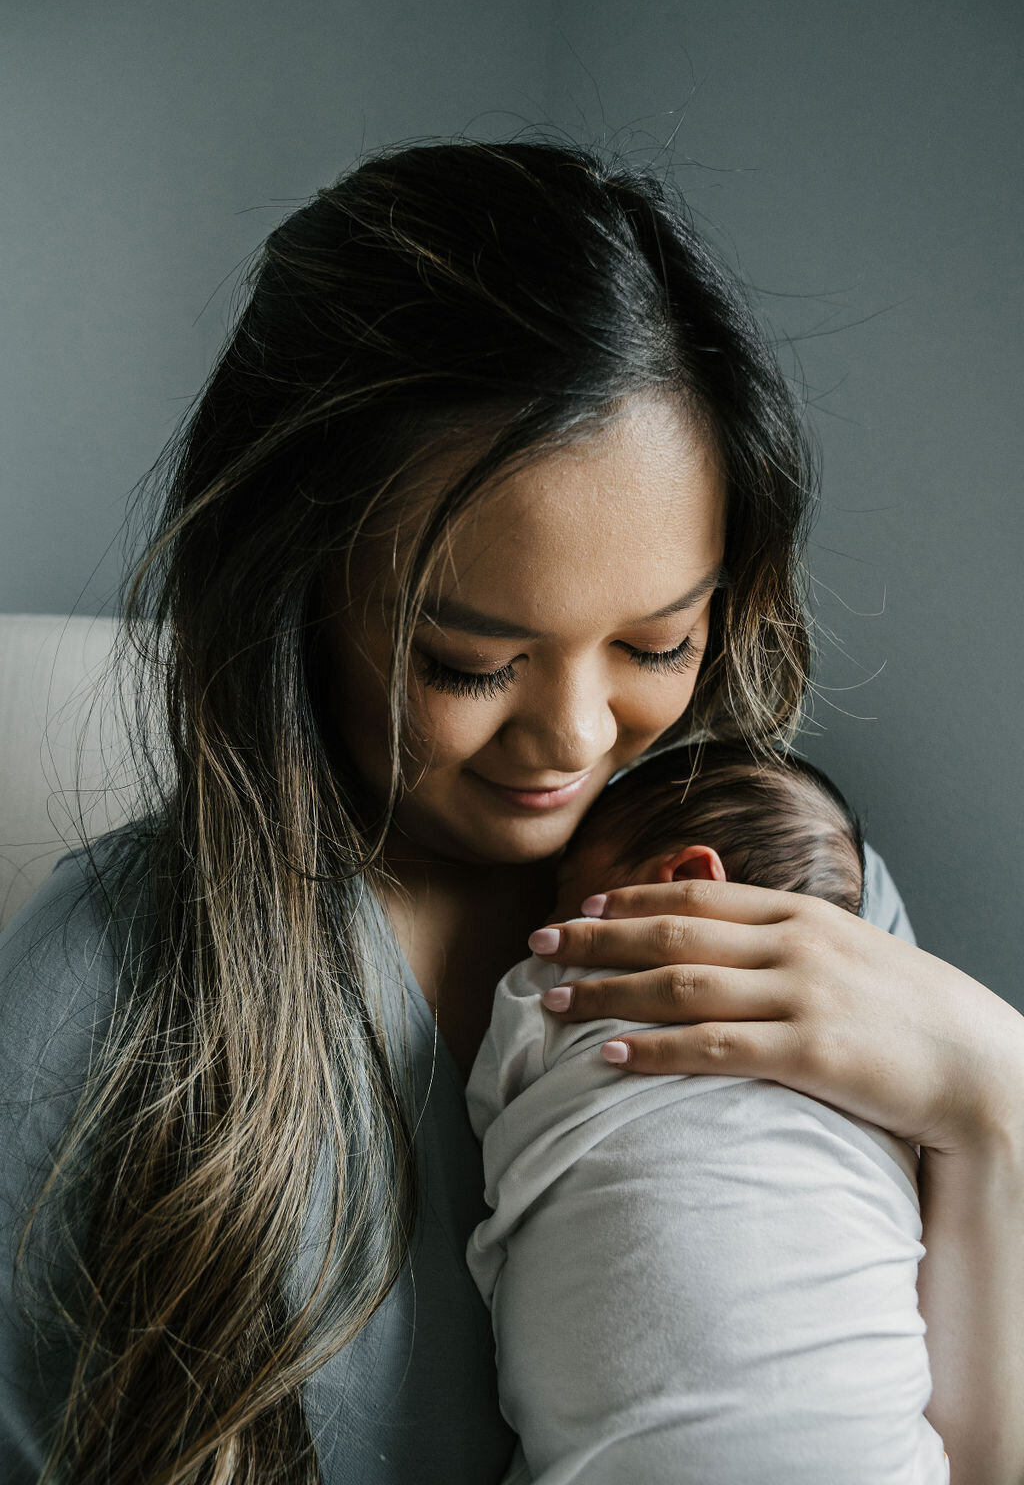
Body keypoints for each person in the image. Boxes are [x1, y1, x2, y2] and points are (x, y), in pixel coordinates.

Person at [1, 135, 1022, 1485]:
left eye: (659, 645)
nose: (577, 738)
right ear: (293, 595)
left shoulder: (774, 892)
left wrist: (993, 1099)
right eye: (469, 662)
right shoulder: (105, 1001)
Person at [465, 740, 950, 1482]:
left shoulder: (567, 987)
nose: (551, 917)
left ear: (688, 883)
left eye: (565, 891)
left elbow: (493, 1102)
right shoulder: (877, 1069)